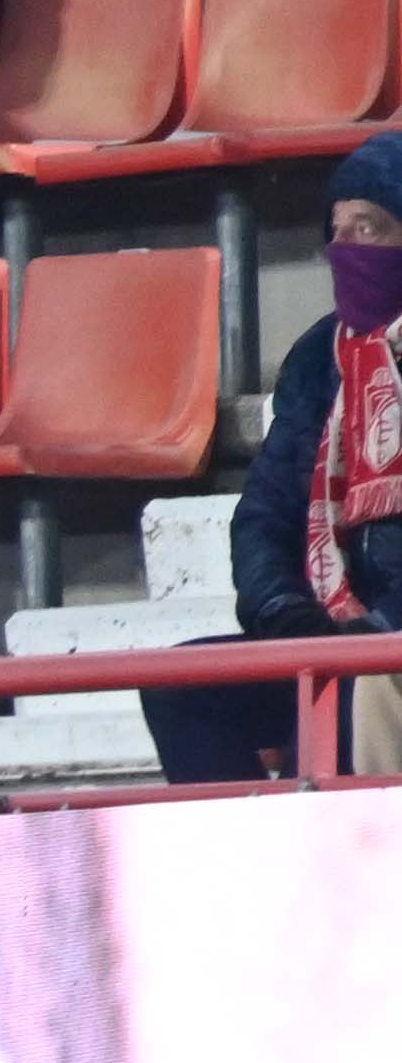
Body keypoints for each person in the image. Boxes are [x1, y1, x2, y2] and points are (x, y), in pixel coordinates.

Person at [167, 146, 402, 791]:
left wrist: (375, 629)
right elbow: (265, 510)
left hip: (388, 642)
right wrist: (283, 609)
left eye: (369, 228)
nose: (347, 249)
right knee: (185, 689)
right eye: (337, 232)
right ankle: (238, 850)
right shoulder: (319, 356)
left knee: (346, 688)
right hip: (328, 627)